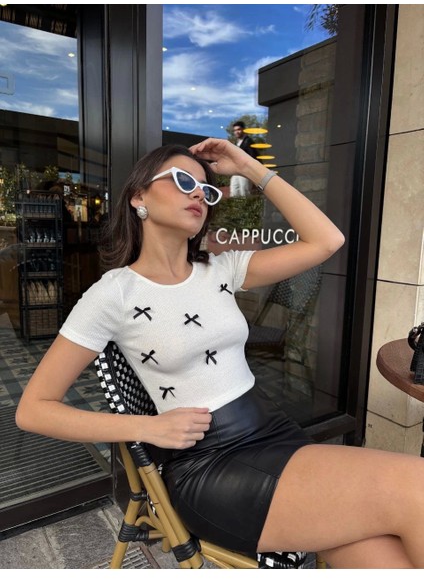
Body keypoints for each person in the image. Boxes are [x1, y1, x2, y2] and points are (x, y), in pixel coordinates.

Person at [15, 138, 424, 569]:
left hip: (272, 432)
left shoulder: (222, 269)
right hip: (211, 466)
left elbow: (327, 239)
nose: (198, 194)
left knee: (387, 559)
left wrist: (249, 167)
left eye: (207, 190)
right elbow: (33, 409)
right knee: (415, 486)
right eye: (182, 181)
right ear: (138, 197)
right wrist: (145, 427)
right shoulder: (113, 294)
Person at [229, 120, 259, 197]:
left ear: (243, 130)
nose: (237, 132)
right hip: (236, 171)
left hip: (245, 171)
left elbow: (253, 156)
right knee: (234, 191)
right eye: (235, 130)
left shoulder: (248, 141)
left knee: (244, 192)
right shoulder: (237, 143)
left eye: (238, 129)